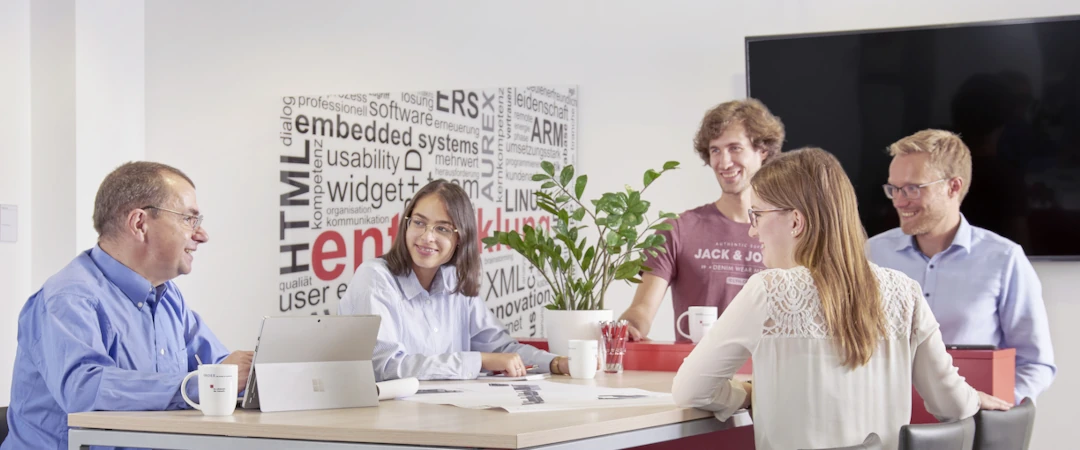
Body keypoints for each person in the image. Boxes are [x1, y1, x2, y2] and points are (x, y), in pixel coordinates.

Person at [671, 148, 1011, 450]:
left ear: (796, 221)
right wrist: (974, 398)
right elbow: (951, 403)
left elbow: (690, 390)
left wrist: (745, 394)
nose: (752, 230)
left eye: (757, 215)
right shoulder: (905, 291)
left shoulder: (770, 290)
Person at [2, 162, 252, 450]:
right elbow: (85, 390)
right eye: (189, 219)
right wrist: (204, 387)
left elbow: (221, 367)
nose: (201, 235)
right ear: (139, 224)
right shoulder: (68, 298)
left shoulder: (168, 296)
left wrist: (255, 374)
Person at [867, 129, 1056, 403]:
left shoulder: (1004, 259)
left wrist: (994, 408)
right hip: (886, 418)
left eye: (912, 188)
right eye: (893, 189)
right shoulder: (870, 254)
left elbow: (1035, 363)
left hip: (972, 423)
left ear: (953, 187)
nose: (899, 201)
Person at [339, 179, 569, 381]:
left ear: (460, 238)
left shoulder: (455, 281)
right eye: (419, 222)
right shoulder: (375, 278)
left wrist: (556, 363)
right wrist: (477, 361)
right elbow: (385, 367)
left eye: (442, 228)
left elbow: (501, 349)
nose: (427, 237)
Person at [619, 99, 784, 341]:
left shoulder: (788, 231)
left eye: (735, 148)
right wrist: (628, 327)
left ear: (763, 151)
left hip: (770, 364)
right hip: (696, 365)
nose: (724, 162)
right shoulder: (676, 229)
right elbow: (641, 311)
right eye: (715, 150)